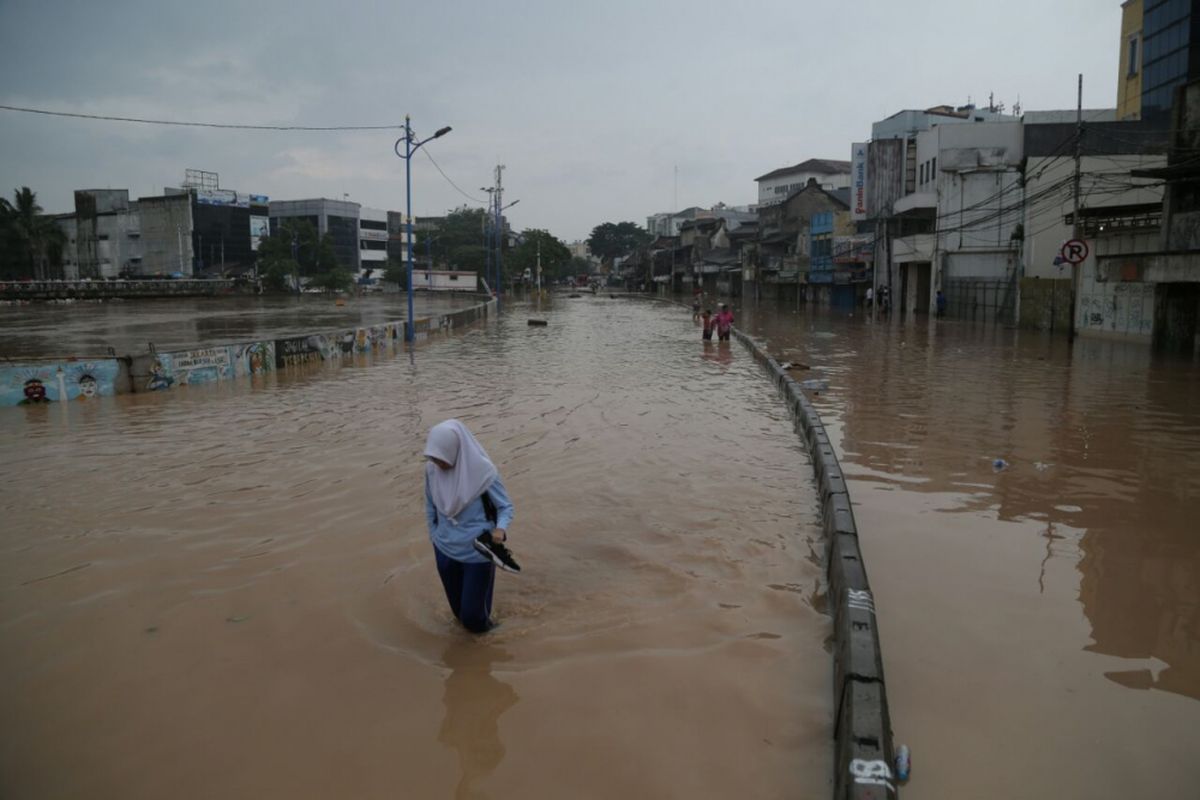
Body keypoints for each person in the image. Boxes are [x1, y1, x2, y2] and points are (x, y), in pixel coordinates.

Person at [424, 419, 517, 633]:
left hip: (476, 553)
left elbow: (505, 507)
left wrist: (500, 529)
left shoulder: (484, 473)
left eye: (441, 457)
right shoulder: (431, 470)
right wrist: (434, 536)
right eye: (433, 457)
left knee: (474, 617)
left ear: (456, 449)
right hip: (444, 551)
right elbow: (430, 506)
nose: (438, 463)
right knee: (458, 614)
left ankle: (487, 648)